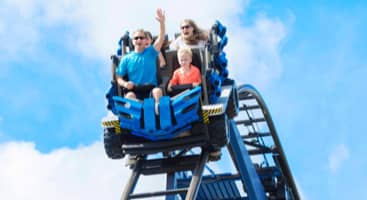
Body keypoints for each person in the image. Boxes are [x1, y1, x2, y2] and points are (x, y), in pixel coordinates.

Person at [115, 8, 166, 104]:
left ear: (145, 40)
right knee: (129, 96)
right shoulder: (126, 58)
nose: (139, 40)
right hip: (135, 89)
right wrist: (125, 84)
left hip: (150, 88)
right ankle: (139, 111)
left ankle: (158, 111)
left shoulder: (151, 51)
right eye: (136, 38)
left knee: (158, 92)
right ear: (133, 41)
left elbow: (161, 37)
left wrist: (162, 23)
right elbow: (118, 77)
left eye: (141, 38)